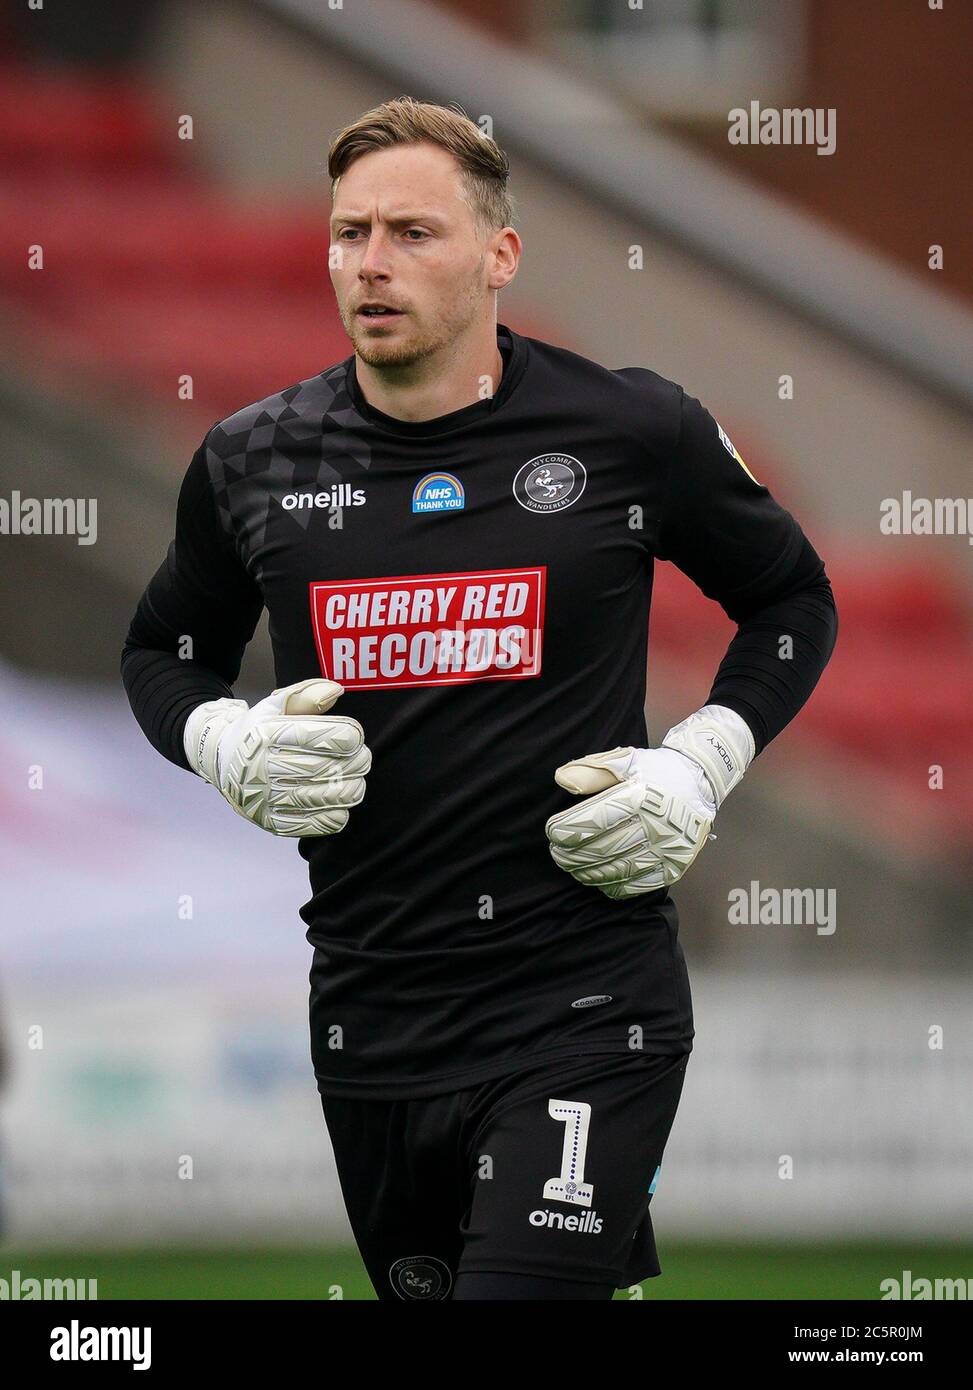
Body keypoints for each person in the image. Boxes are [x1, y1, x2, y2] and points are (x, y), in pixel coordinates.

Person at [121, 97, 838, 1301]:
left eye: (412, 232)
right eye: (349, 234)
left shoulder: (628, 429)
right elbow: (160, 650)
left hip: (585, 1000)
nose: (371, 264)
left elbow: (792, 599)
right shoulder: (253, 458)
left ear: (500, 255)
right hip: (372, 1011)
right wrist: (221, 735)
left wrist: (701, 757)